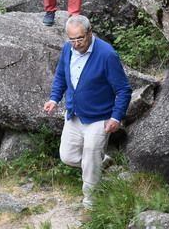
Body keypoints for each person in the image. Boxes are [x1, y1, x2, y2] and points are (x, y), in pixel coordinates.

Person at [43, 15, 132, 208]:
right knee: (67, 156)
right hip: (74, 114)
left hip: (100, 118)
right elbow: (61, 75)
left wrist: (116, 117)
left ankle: (91, 203)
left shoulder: (107, 55)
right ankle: (100, 162)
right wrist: (54, 98)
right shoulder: (67, 49)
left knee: (91, 157)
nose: (76, 44)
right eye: (72, 39)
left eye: (80, 38)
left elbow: (124, 90)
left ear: (90, 32)